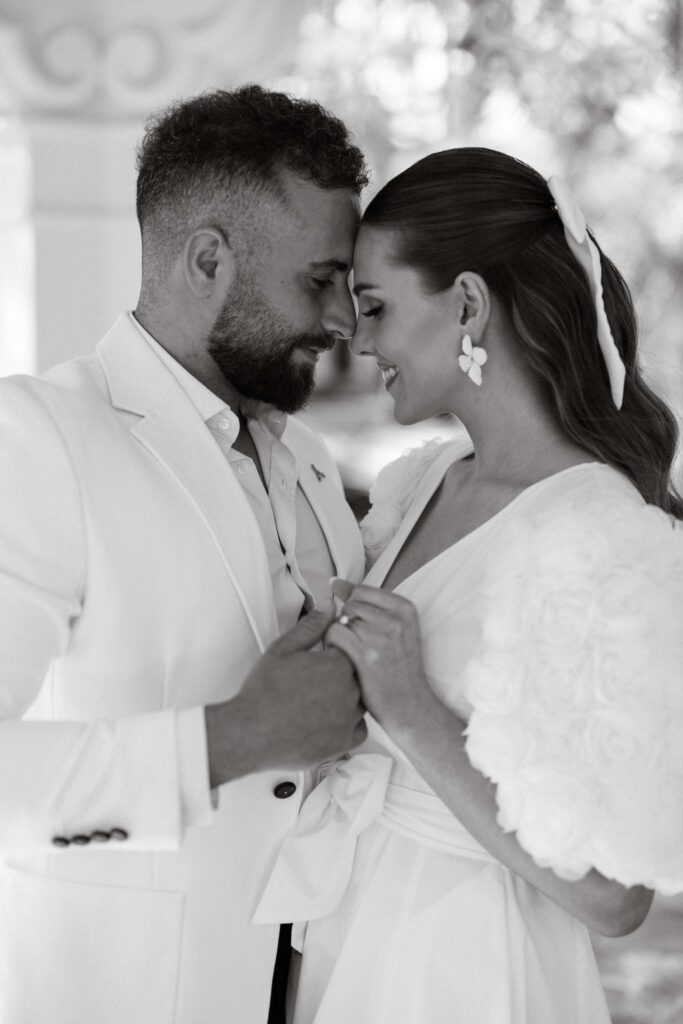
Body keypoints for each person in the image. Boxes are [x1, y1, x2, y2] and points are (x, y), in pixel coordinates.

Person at [255, 148, 683, 1023]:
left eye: (376, 306)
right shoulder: (429, 480)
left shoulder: (593, 532)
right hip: (351, 931)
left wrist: (411, 707)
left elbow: (614, 898)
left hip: (465, 969)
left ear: (468, 304)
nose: (358, 337)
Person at [0, 85, 370, 1024]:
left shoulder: (313, 462)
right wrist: (236, 737)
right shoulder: (38, 438)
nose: (343, 324)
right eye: (318, 280)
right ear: (209, 258)